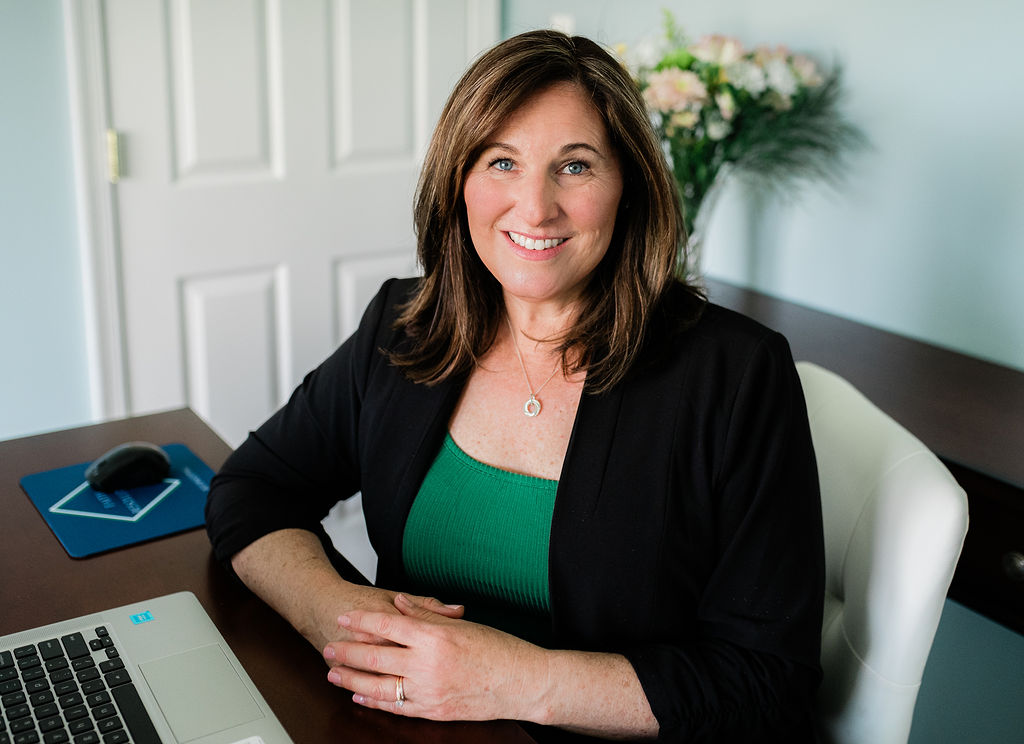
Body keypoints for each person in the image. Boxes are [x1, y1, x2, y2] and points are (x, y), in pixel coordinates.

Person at [205, 29, 824, 743]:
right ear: (458, 180)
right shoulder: (403, 326)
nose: (535, 208)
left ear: (628, 187)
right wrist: (341, 621)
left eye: (575, 166)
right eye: (502, 161)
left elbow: (767, 682)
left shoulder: (736, 375)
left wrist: (516, 680)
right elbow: (251, 489)